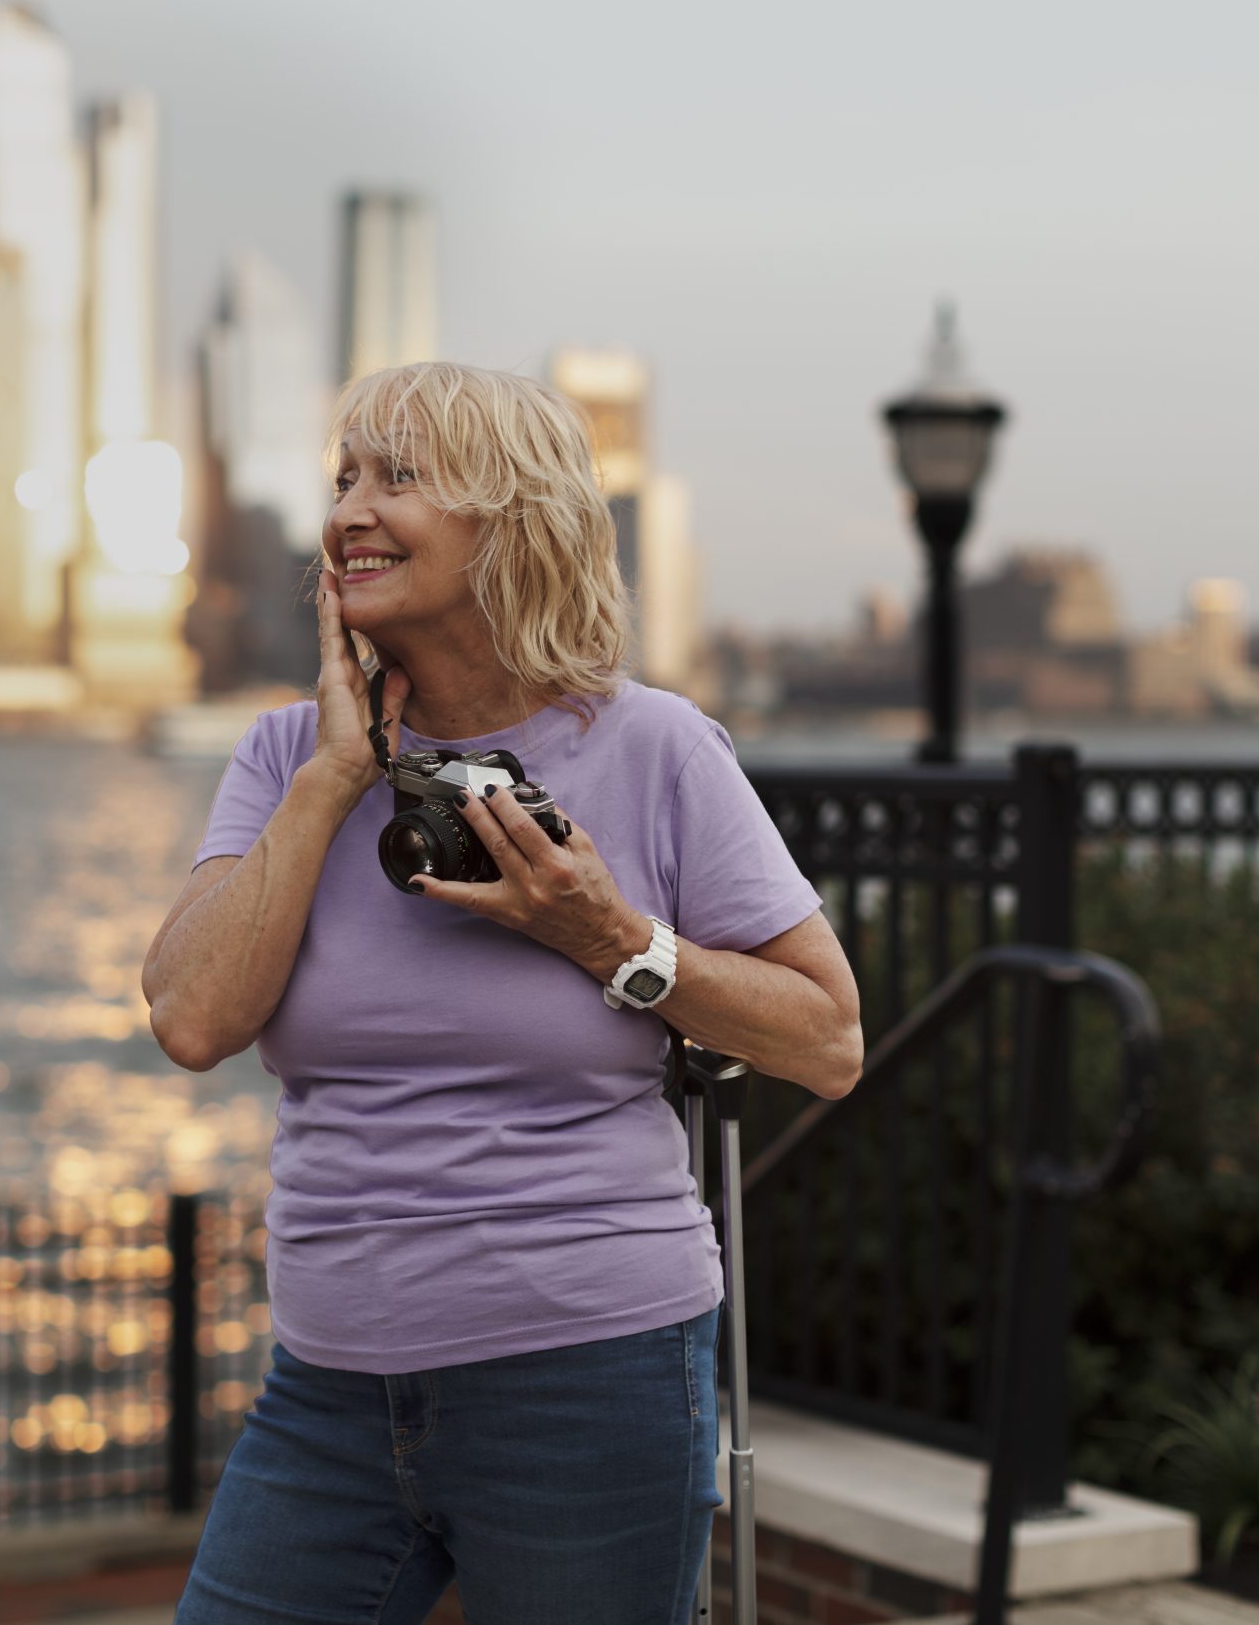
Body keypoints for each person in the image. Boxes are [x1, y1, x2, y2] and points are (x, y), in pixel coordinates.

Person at [144, 361, 863, 1625]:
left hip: (588, 1378)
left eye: (400, 478)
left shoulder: (653, 749)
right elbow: (193, 1019)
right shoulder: (279, 757)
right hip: (327, 1389)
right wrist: (331, 779)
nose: (351, 511)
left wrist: (611, 939)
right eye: (344, 479)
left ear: (512, 523)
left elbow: (828, 1037)